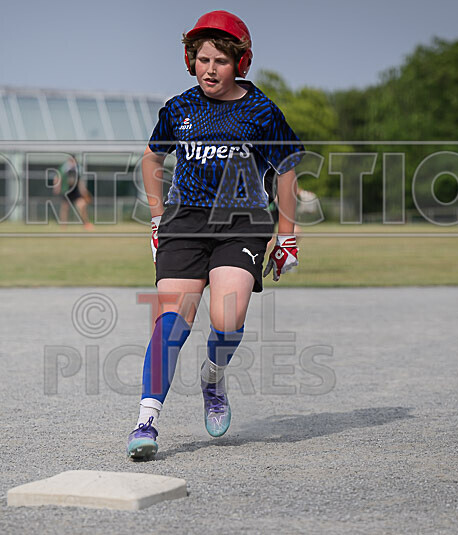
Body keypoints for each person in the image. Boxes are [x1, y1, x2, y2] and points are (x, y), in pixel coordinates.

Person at [126, 10, 305, 460]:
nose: (210, 69)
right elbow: (152, 159)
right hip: (184, 222)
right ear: (191, 60)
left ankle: (213, 377)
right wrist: (156, 217)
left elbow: (286, 171)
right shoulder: (179, 108)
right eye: (202, 59)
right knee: (171, 321)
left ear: (239, 64)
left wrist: (287, 236)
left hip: (242, 220)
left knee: (228, 317)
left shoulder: (260, 110)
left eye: (220, 61)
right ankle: (146, 421)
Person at [52, 155, 94, 230]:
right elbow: (57, 178)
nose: (73, 163)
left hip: (75, 191)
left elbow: (80, 182)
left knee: (82, 205)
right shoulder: (63, 167)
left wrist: (84, 192)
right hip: (66, 190)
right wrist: (57, 187)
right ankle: (63, 226)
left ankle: (86, 224)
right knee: (65, 208)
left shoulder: (78, 168)